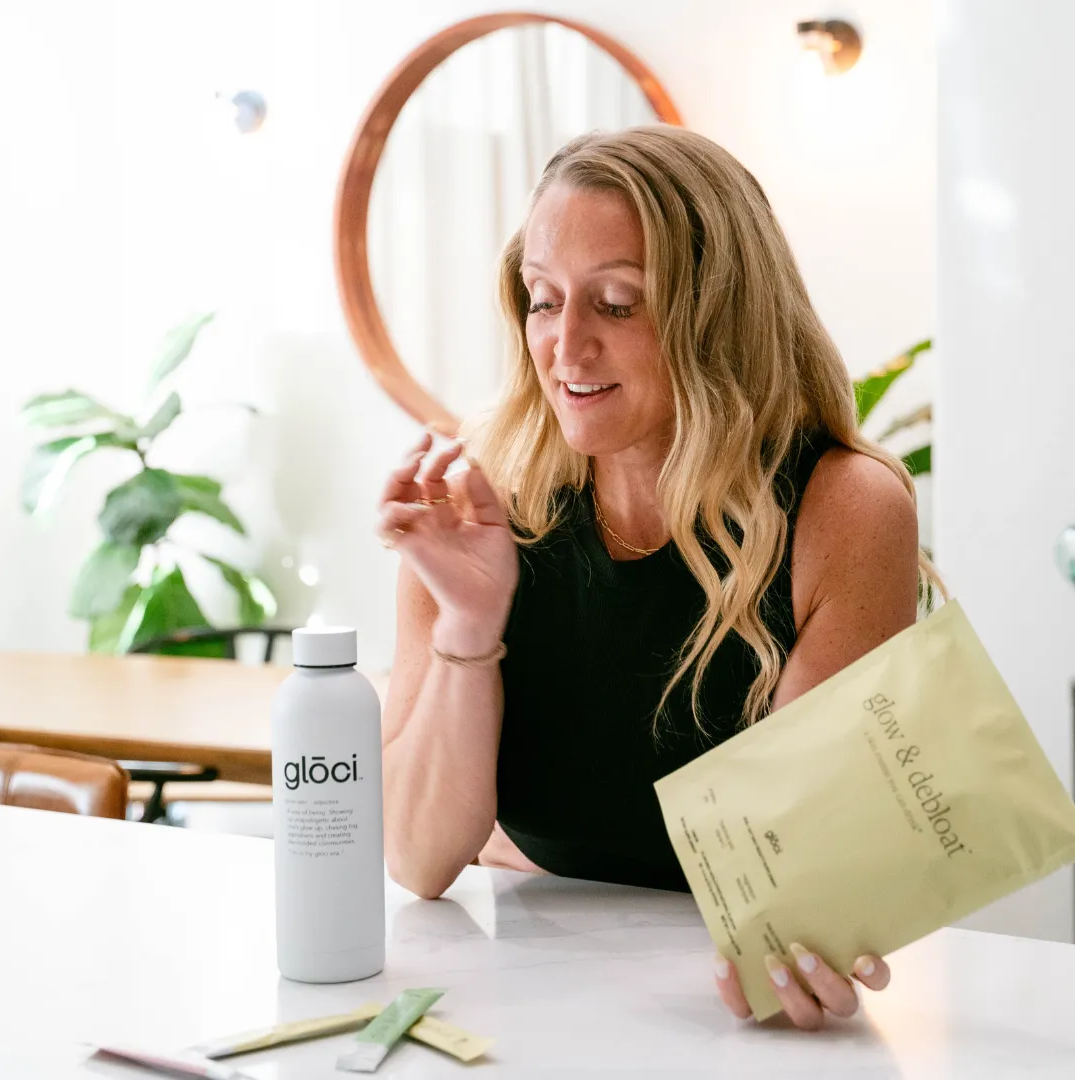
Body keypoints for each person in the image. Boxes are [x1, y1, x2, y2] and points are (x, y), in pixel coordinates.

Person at [376, 126, 942, 1030]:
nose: (565, 347)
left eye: (618, 304)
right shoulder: (481, 499)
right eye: (543, 300)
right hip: (513, 989)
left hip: (715, 1007)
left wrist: (819, 929)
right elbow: (416, 856)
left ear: (716, 314)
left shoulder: (844, 508)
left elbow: (802, 876)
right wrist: (469, 627)